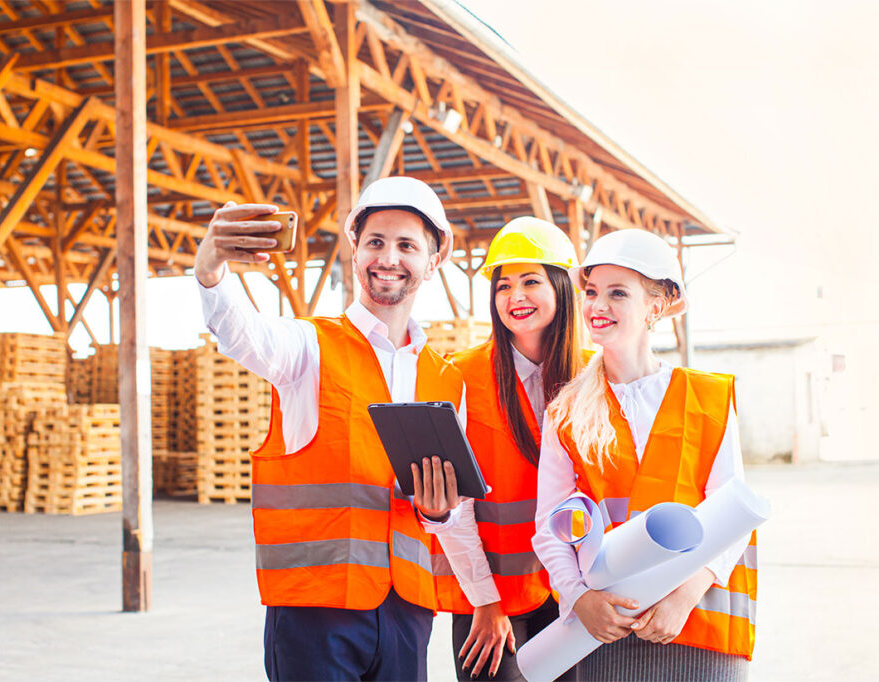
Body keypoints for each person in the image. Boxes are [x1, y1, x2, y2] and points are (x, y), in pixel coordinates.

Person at [194, 176, 481, 682]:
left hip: (408, 611)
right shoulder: (308, 348)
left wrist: (439, 517)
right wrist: (211, 267)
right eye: (375, 242)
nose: (388, 257)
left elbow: (451, 515)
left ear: (433, 262)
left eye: (406, 245)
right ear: (355, 252)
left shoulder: (446, 378)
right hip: (314, 608)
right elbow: (243, 334)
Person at [532, 229, 757, 680]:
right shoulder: (568, 411)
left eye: (618, 293)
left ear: (656, 306)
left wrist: (684, 595)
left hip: (696, 618)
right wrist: (579, 599)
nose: (598, 306)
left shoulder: (706, 397)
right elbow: (549, 525)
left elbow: (732, 515)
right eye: (592, 292)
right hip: (607, 625)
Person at [416, 217, 584, 681]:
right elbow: (454, 506)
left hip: (572, 596)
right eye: (503, 285)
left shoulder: (592, 377)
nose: (515, 297)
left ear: (562, 287)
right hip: (491, 602)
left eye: (531, 281)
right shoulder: (463, 375)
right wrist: (485, 602)